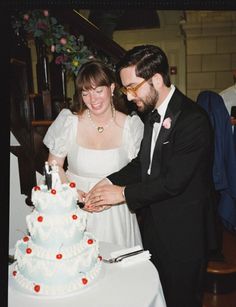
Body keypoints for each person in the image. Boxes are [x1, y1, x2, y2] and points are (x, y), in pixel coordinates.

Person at [85, 45, 216, 307]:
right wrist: (109, 181)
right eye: (125, 89)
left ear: (156, 79)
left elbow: (173, 182)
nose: (129, 96)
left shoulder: (193, 119)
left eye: (132, 87)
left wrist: (121, 194)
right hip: (155, 229)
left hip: (184, 236)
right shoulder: (150, 114)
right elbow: (141, 163)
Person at [43, 60, 144, 248]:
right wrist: (72, 193)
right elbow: (53, 166)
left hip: (115, 214)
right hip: (75, 211)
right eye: (86, 92)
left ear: (112, 88)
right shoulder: (69, 122)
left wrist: (118, 195)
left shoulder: (132, 127)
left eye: (98, 90)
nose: (93, 99)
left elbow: (140, 172)